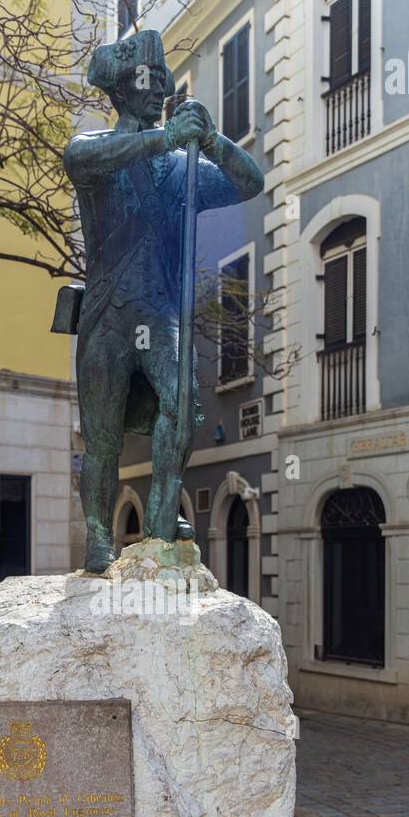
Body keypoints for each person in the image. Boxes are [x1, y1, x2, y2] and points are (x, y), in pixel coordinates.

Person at [63, 29, 264, 573]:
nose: (160, 90)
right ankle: (99, 531)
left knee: (180, 405)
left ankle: (161, 512)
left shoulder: (181, 166)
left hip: (161, 316)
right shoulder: (94, 151)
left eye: (163, 82)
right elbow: (82, 158)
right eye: (148, 80)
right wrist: (167, 136)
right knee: (102, 437)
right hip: (106, 314)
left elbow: (250, 182)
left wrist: (213, 140)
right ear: (121, 89)